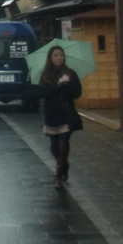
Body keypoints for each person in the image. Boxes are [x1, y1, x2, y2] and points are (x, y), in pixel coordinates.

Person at [36, 45, 82, 190]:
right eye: (55, 55)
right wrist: (58, 84)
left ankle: (57, 174)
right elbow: (43, 93)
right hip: (52, 114)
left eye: (61, 55)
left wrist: (68, 84)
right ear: (50, 58)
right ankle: (64, 165)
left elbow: (77, 93)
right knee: (54, 145)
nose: (58, 58)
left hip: (66, 113)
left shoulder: (70, 73)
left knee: (63, 143)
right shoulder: (45, 74)